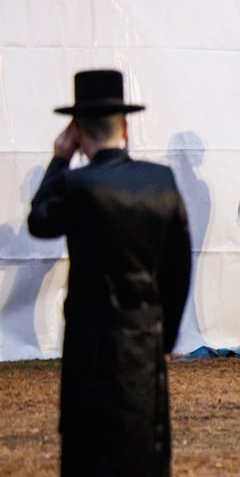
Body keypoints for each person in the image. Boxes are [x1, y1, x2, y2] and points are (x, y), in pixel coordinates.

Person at [28, 69, 192, 477]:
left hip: (90, 340)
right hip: (142, 335)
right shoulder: (160, 180)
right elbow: (178, 267)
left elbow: (39, 220)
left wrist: (59, 158)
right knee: (143, 445)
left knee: (89, 448)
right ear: (125, 129)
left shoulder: (77, 185)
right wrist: (165, 335)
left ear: (78, 132)